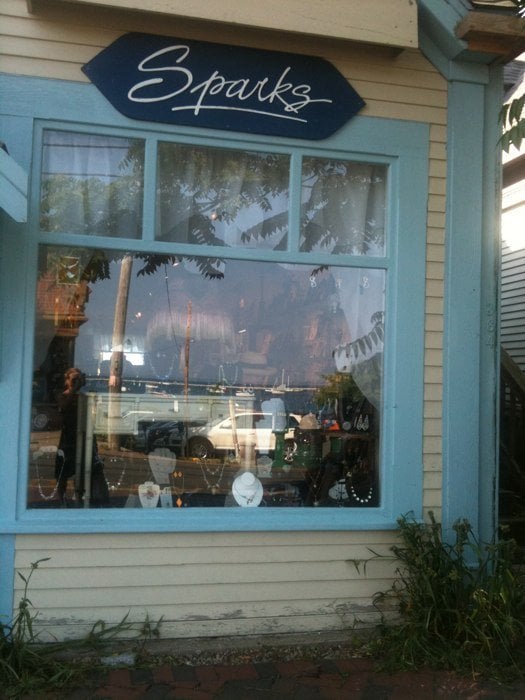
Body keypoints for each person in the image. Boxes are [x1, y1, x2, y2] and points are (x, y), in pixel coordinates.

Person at [55, 367, 108, 506]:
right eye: (73, 379)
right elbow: (63, 408)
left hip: (84, 435)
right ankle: (62, 500)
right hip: (68, 436)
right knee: (63, 470)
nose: (76, 382)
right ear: (67, 381)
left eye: (78, 379)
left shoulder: (84, 396)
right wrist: (73, 390)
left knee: (85, 467)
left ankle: (80, 496)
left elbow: (94, 414)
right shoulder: (63, 395)